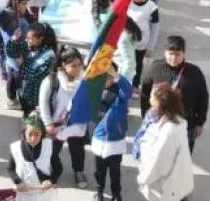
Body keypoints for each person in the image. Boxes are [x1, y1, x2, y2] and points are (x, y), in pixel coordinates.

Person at [139, 35, 208, 153]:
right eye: (170, 53)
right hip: (159, 123)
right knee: (158, 155)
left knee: (182, 156)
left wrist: (200, 122)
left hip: (185, 123)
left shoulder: (195, 72)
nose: (173, 58)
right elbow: (145, 92)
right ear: (165, 52)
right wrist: (145, 115)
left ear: (184, 53)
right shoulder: (155, 68)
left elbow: (203, 98)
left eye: (177, 54)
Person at [38, 46, 88, 188]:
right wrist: (48, 124)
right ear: (62, 65)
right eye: (73, 66)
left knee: (78, 150)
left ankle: (79, 171)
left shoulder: (85, 81)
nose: (77, 69)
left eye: (80, 65)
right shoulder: (51, 81)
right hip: (56, 125)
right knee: (53, 151)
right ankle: (50, 172)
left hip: (76, 124)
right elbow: (43, 104)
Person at [137, 83, 195, 201]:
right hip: (175, 183)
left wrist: (143, 178)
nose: (150, 99)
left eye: (152, 96)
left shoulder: (168, 132)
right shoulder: (177, 121)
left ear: (160, 103)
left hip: (164, 187)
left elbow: (160, 164)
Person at [91, 62, 132, 201]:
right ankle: (99, 191)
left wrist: (117, 76)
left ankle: (116, 193)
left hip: (115, 139)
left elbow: (128, 91)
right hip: (100, 137)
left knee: (115, 172)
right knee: (99, 171)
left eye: (110, 76)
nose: (107, 80)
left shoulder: (119, 93)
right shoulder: (94, 91)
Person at [6, 21, 58, 116]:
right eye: (27, 37)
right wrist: (14, 39)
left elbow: (34, 75)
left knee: (36, 122)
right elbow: (11, 52)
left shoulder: (48, 54)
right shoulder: (28, 45)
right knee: (26, 116)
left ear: (40, 39)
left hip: (38, 95)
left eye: (30, 38)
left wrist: (22, 65)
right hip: (25, 92)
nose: (27, 40)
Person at [9, 115, 56, 198]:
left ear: (42, 134)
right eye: (30, 134)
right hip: (23, 195)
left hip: (44, 195)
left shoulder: (49, 146)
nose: (33, 138)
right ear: (24, 133)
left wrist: (51, 181)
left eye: (37, 134)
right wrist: (18, 182)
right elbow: (10, 168)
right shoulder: (15, 147)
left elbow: (58, 167)